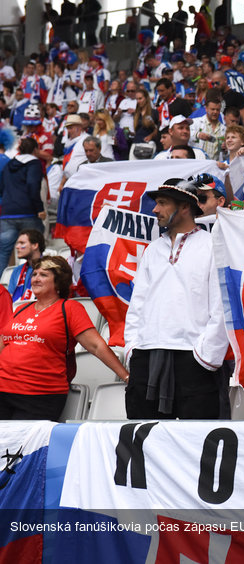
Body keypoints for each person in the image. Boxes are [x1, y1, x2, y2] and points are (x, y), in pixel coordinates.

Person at [124, 177, 229, 419]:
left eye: (162, 203)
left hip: (193, 359)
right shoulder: (152, 250)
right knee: (144, 439)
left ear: (184, 207)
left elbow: (222, 306)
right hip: (147, 355)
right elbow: (137, 304)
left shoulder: (212, 246)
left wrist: (206, 356)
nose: (155, 209)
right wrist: (133, 348)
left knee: (195, 443)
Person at [0, 256, 128, 420]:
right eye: (35, 274)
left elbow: (96, 346)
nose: (36, 279)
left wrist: (126, 376)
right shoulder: (21, 308)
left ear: (58, 281)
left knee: (21, 445)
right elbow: (4, 344)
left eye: (43, 275)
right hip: (3, 390)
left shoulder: (69, 308)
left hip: (39, 395)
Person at [0, 138, 45, 269]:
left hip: (7, 213)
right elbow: (33, 185)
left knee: (3, 254)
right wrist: (39, 208)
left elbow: (2, 187)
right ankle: (36, 282)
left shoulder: (9, 164)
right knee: (36, 250)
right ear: (35, 150)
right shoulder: (34, 163)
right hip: (28, 212)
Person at [8, 229, 44, 302]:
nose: (17, 247)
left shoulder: (49, 268)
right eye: (18, 243)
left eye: (22, 243)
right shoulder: (17, 270)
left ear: (35, 245)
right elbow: (10, 298)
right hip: (18, 310)